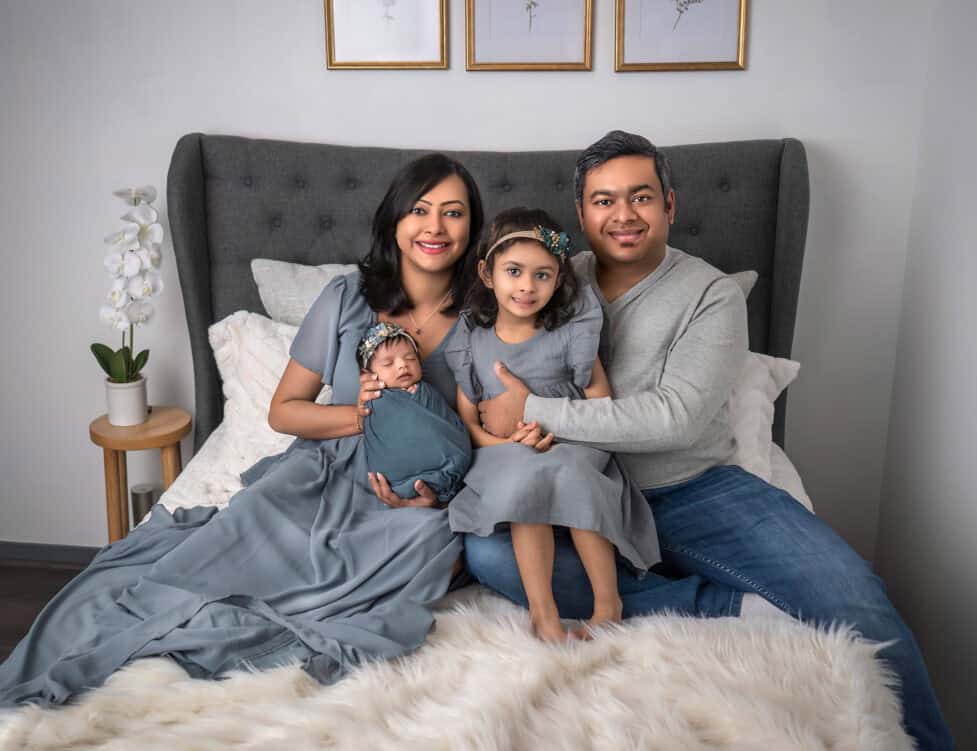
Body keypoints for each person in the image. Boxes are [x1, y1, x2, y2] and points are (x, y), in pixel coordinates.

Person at [462, 131, 955, 749]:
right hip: (583, 489)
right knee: (490, 558)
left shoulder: (711, 293)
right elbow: (482, 345)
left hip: (693, 489)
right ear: (582, 214)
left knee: (857, 599)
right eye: (603, 201)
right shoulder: (552, 274)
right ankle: (725, 605)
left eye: (640, 197)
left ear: (670, 204)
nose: (622, 215)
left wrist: (535, 410)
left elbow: (675, 419)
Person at [0, 152, 484, 708]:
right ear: (395, 219)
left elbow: (482, 428)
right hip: (321, 471)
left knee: (432, 542)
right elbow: (284, 411)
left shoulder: (485, 314)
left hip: (405, 498)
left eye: (454, 213)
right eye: (420, 210)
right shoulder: (348, 297)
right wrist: (363, 416)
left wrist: (430, 497)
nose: (435, 227)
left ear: (472, 226)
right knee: (210, 560)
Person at [444, 207, 660, 642]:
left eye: (543, 275)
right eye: (514, 271)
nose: (527, 286)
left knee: (571, 474)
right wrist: (504, 443)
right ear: (487, 274)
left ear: (559, 278)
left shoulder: (568, 331)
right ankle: (544, 614)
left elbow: (600, 401)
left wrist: (553, 426)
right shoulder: (473, 335)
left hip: (573, 440)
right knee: (529, 481)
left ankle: (607, 605)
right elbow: (468, 416)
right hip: (507, 451)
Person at [358, 321, 471, 504]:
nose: (403, 365)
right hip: (393, 483)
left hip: (449, 469)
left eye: (411, 358)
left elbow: (446, 423)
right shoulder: (374, 399)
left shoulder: (426, 391)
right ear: (367, 374)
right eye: (388, 363)